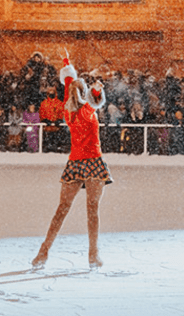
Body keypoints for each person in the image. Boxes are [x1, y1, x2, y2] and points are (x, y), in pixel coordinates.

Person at [32, 49, 113, 269]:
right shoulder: (86, 111)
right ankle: (93, 254)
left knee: (62, 208)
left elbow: (69, 82)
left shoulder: (69, 113)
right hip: (93, 162)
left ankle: (43, 252)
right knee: (92, 209)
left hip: (75, 163)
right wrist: (96, 89)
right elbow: (94, 102)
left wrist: (67, 62)